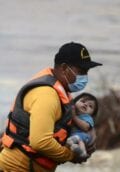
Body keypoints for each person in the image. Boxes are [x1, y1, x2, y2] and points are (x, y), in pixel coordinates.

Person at [0, 42, 102, 172]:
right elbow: (40, 142)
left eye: (86, 71)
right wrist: (71, 155)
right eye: (81, 71)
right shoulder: (47, 96)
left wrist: (89, 136)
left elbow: (71, 122)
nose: (84, 76)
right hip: (16, 167)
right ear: (64, 68)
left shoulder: (62, 91)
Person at [66, 92, 98, 158]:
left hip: (83, 135)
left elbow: (85, 127)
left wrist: (74, 117)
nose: (86, 104)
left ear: (92, 114)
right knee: (76, 141)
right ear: (74, 103)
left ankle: (81, 151)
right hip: (74, 135)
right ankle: (81, 152)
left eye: (90, 106)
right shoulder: (70, 111)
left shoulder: (87, 118)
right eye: (83, 101)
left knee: (78, 139)